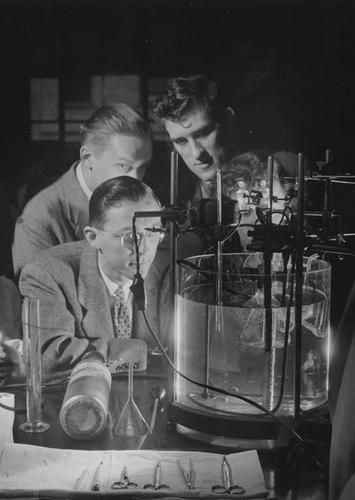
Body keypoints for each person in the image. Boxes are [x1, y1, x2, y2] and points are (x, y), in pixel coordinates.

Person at [19, 176, 167, 377]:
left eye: (153, 233)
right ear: (92, 237)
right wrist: (144, 352)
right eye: (130, 237)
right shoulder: (47, 273)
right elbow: (50, 357)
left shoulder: (170, 272)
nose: (144, 249)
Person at [12, 103, 153, 279]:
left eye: (143, 167)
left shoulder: (146, 203)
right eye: (123, 165)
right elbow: (36, 299)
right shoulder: (39, 219)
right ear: (87, 158)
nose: (136, 180)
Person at [153, 74, 237, 202]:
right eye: (181, 141)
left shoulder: (272, 178)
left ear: (229, 121)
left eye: (203, 134)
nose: (196, 153)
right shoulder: (168, 198)